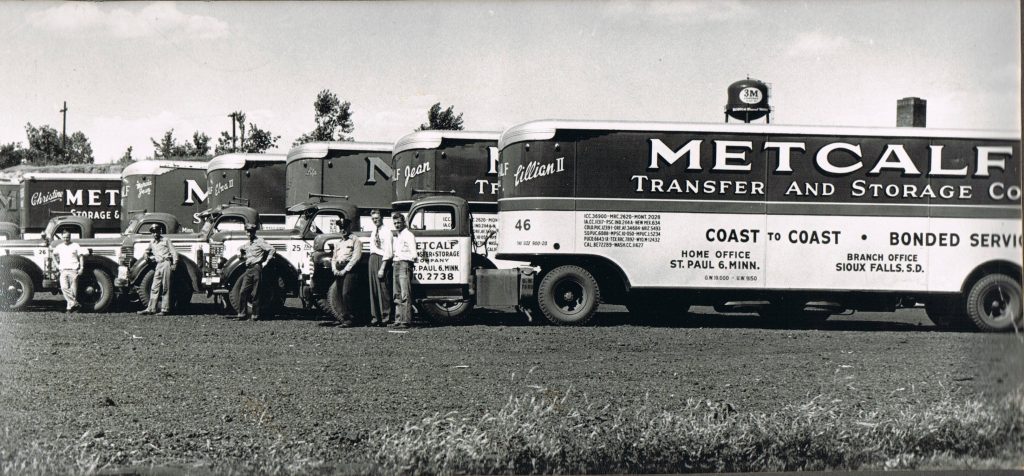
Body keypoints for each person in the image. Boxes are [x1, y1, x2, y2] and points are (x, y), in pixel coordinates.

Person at [236, 223, 275, 321]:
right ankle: (242, 314)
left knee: (255, 293)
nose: (248, 233)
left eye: (250, 232)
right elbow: (240, 248)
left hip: (256, 268)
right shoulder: (248, 244)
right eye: (247, 231)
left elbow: (272, 249)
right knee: (242, 292)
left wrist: (266, 261)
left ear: (254, 232)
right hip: (248, 269)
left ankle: (255, 315)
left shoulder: (259, 241)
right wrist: (239, 253)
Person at [137, 224, 178, 316]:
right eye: (153, 232)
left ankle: (165, 309)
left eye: (157, 231)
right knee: (154, 287)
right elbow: (147, 251)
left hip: (166, 263)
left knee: (166, 287)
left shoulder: (166, 240)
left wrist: (175, 263)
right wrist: (145, 255)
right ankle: (151, 308)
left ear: (160, 231)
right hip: (158, 265)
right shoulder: (152, 243)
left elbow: (173, 252)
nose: (155, 233)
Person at [330, 217, 363, 327]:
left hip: (349, 269)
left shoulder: (355, 240)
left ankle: (350, 319)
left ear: (349, 227)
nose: (342, 230)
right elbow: (334, 257)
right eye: (340, 228)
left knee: (346, 293)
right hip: (339, 268)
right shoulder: (338, 243)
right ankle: (342, 318)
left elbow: (356, 257)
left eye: (344, 227)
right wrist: (334, 268)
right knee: (339, 294)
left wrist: (345, 270)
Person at [391, 212, 417, 328]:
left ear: (403, 222)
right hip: (396, 264)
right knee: (397, 294)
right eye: (395, 223)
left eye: (399, 222)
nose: (397, 225)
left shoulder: (408, 235)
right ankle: (398, 319)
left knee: (405, 293)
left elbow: (414, 254)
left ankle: (405, 320)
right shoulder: (398, 236)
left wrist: (407, 261)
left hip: (405, 264)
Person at [367, 209, 393, 326]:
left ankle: (385, 318)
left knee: (383, 289)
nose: (375, 221)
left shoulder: (387, 232)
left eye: (377, 218)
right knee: (373, 290)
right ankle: (375, 317)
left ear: (381, 218)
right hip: (372, 259)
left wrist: (382, 268)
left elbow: (388, 251)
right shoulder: (373, 231)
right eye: (373, 219)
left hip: (382, 260)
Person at [52, 230, 83, 314]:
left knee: (73, 290)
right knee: (64, 288)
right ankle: (75, 304)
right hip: (63, 270)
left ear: (70, 237)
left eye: (68, 237)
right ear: (62, 237)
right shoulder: (59, 246)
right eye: (64, 237)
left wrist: (81, 267)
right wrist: (57, 265)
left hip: (73, 269)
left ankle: (70, 308)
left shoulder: (75, 245)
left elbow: (80, 256)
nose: (66, 239)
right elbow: (53, 254)